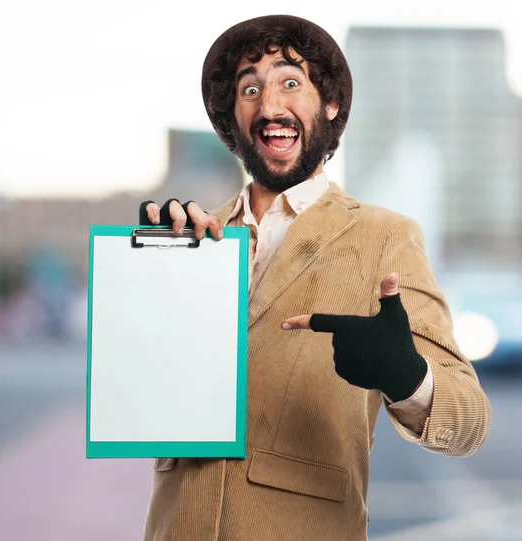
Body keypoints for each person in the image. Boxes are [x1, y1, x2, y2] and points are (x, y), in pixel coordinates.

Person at [139, 15, 491, 541]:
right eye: (249, 88)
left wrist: (408, 378)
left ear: (329, 105)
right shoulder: (192, 238)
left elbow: (470, 422)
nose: (270, 105)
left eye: (290, 82)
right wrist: (146, 272)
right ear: (231, 118)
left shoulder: (383, 238)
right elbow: (144, 398)